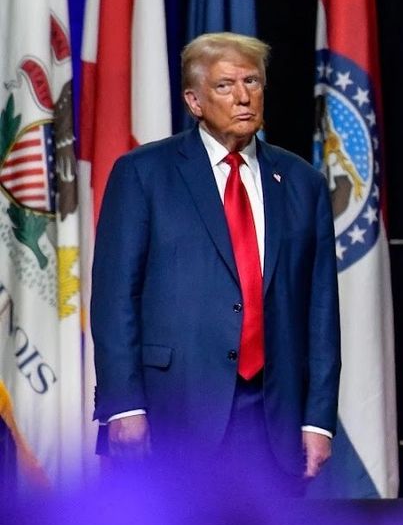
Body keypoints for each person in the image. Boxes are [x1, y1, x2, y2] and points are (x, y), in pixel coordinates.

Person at [91, 32, 340, 492]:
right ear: (195, 101)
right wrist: (123, 406)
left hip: (274, 421)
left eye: (253, 81)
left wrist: (319, 419)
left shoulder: (302, 182)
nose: (244, 96)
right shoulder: (143, 174)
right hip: (173, 414)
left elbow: (321, 311)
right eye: (226, 86)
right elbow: (113, 298)